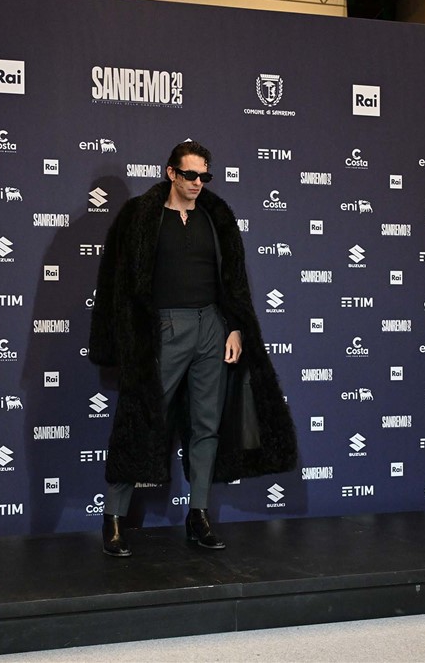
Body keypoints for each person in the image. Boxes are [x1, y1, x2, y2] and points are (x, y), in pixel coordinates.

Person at [89, 141, 298, 557]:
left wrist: (234, 327)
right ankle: (113, 517)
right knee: (142, 418)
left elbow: (234, 282)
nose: (197, 183)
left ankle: (198, 515)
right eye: (190, 175)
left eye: (204, 176)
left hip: (212, 328)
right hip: (165, 329)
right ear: (171, 173)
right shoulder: (140, 217)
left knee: (206, 426)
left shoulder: (216, 218)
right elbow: (119, 284)